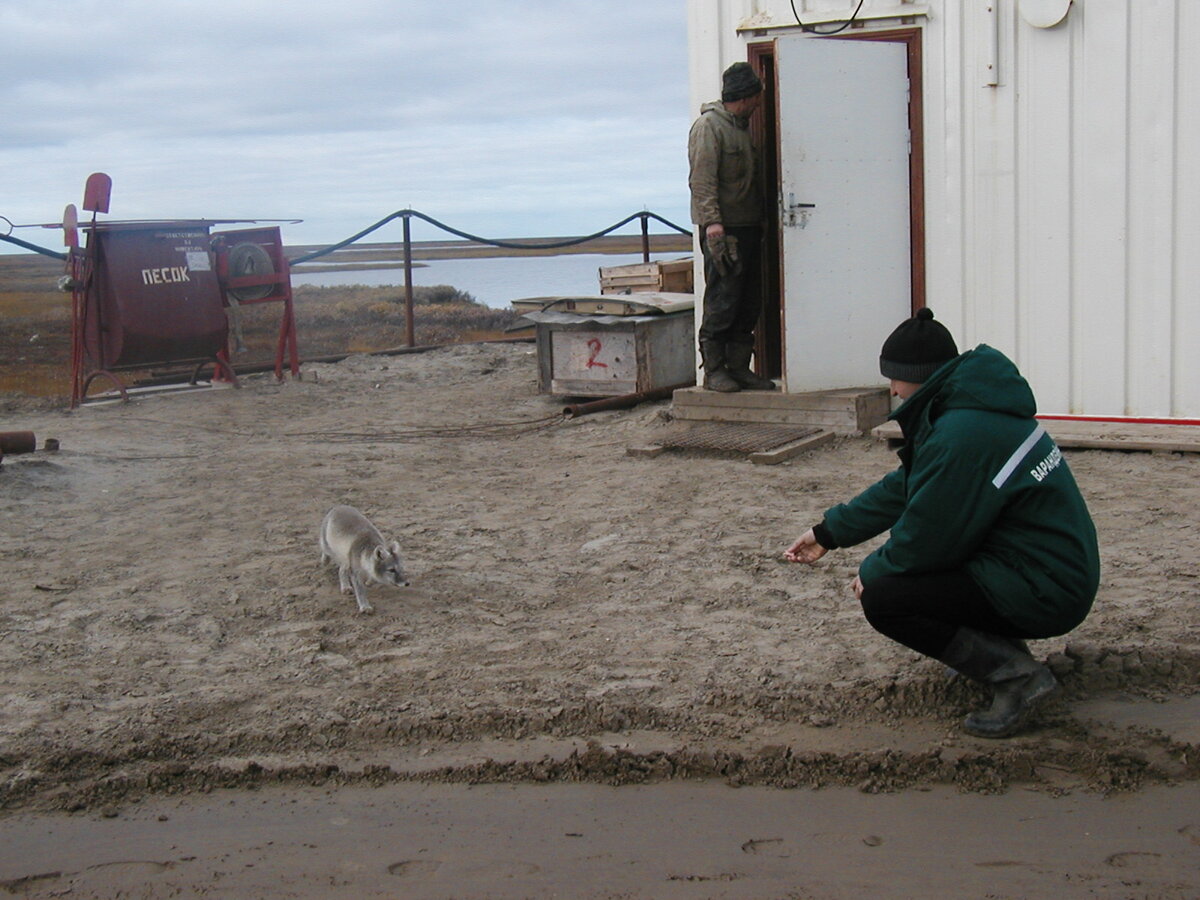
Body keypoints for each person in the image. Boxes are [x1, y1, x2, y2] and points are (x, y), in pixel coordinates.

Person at [783, 309, 1100, 738]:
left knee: (887, 598)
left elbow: (928, 539)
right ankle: (1001, 653)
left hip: (1048, 587)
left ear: (921, 376)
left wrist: (872, 571)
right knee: (919, 576)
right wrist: (828, 533)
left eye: (895, 378)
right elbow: (908, 484)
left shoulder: (962, 433)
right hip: (1048, 569)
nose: (893, 390)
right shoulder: (969, 410)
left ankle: (1019, 678)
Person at [687, 61, 776, 393]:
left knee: (749, 300)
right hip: (725, 232)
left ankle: (739, 366)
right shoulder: (709, 127)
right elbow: (702, 180)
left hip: (749, 227)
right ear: (746, 96)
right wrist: (713, 225)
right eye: (755, 97)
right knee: (723, 300)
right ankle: (714, 370)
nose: (757, 104)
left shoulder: (739, 128)